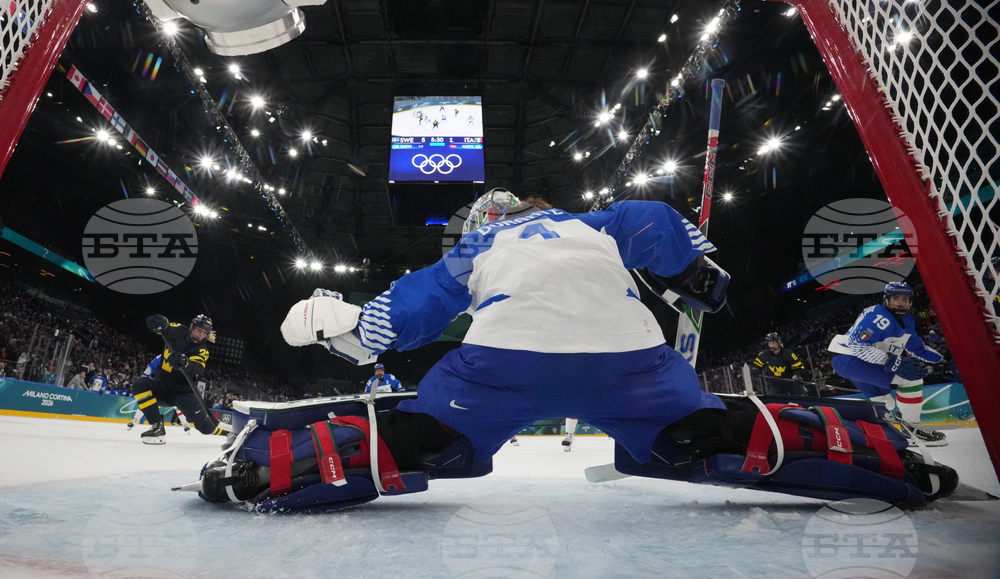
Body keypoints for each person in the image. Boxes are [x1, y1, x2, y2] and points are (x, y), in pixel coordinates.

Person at [195, 190, 958, 510]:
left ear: (488, 218)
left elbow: (397, 325)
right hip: (634, 364)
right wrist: (703, 275)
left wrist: (339, 328)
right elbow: (656, 222)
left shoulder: (478, 245)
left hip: (501, 367)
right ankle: (885, 462)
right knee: (696, 434)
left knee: (431, 436)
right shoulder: (596, 222)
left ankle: (263, 471)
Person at [828, 282, 947, 446]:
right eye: (895, 298)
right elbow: (856, 345)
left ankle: (873, 435)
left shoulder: (907, 321)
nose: (899, 302)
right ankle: (912, 430)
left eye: (904, 299)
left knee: (886, 403)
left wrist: (943, 361)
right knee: (911, 380)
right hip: (849, 359)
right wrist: (891, 360)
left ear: (910, 302)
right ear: (886, 299)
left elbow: (918, 349)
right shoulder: (878, 317)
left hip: (860, 361)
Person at [131, 314, 221, 444]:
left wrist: (185, 363)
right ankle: (157, 427)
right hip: (163, 386)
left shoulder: (202, 350)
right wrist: (157, 323)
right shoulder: (178, 330)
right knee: (140, 384)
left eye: (204, 332)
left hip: (183, 393)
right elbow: (165, 327)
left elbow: (197, 368)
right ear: (192, 327)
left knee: (206, 427)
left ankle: (231, 433)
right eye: (199, 330)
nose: (201, 334)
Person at [127, 355, 191, 432]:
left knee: (178, 404)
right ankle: (135, 420)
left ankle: (185, 424)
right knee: (146, 400)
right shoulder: (163, 355)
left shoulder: (183, 356)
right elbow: (151, 367)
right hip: (160, 386)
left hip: (174, 387)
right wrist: (143, 378)